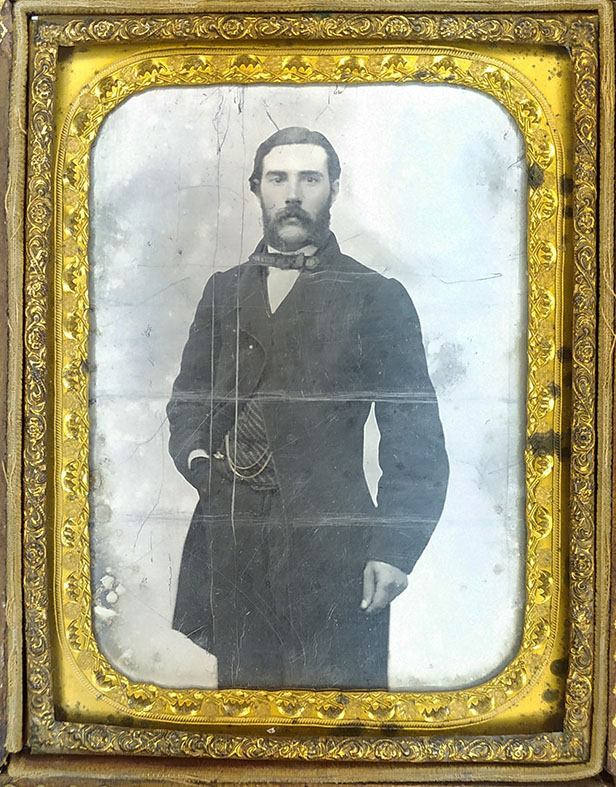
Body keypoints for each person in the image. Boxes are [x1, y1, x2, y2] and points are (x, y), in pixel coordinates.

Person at [167, 126, 449, 690]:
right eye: (278, 178)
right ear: (257, 189)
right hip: (234, 540)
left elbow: (414, 437)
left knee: (340, 717)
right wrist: (199, 461)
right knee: (247, 716)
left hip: (335, 550)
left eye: (310, 179)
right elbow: (189, 399)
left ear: (334, 188)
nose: (292, 194)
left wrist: (395, 549)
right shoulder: (224, 290)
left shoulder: (377, 296)